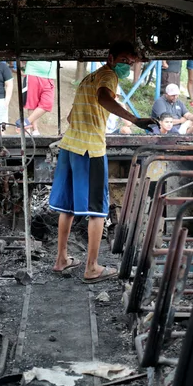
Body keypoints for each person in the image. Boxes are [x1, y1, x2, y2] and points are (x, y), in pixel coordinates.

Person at [49, 41, 157, 283]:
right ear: (110, 58)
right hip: (90, 150)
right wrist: (134, 119)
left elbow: (70, 115)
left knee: (67, 208)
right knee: (97, 211)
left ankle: (62, 260)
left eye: (131, 62)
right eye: (124, 61)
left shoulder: (90, 77)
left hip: (69, 146)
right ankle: (92, 268)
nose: (127, 66)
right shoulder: (108, 76)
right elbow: (103, 97)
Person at [16, 61, 56, 136]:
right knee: (32, 104)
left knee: (48, 103)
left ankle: (25, 123)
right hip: (33, 73)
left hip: (50, 76)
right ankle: (35, 130)